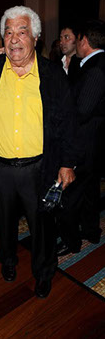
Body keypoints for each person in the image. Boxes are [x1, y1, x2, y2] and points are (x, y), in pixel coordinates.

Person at [0, 6, 77, 299]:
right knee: (4, 222)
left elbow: (68, 121)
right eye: (9, 32)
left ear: (36, 38)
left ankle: (43, 273)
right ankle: (9, 261)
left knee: (42, 226)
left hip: (39, 167)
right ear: (2, 38)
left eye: (22, 31)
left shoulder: (52, 74)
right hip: (0, 167)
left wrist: (67, 163)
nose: (14, 39)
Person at [57, 19, 105, 256]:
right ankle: (91, 231)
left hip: (85, 143)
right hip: (94, 143)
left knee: (70, 194)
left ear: (84, 40)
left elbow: (82, 111)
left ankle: (71, 241)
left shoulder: (95, 68)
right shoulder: (90, 64)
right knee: (89, 191)